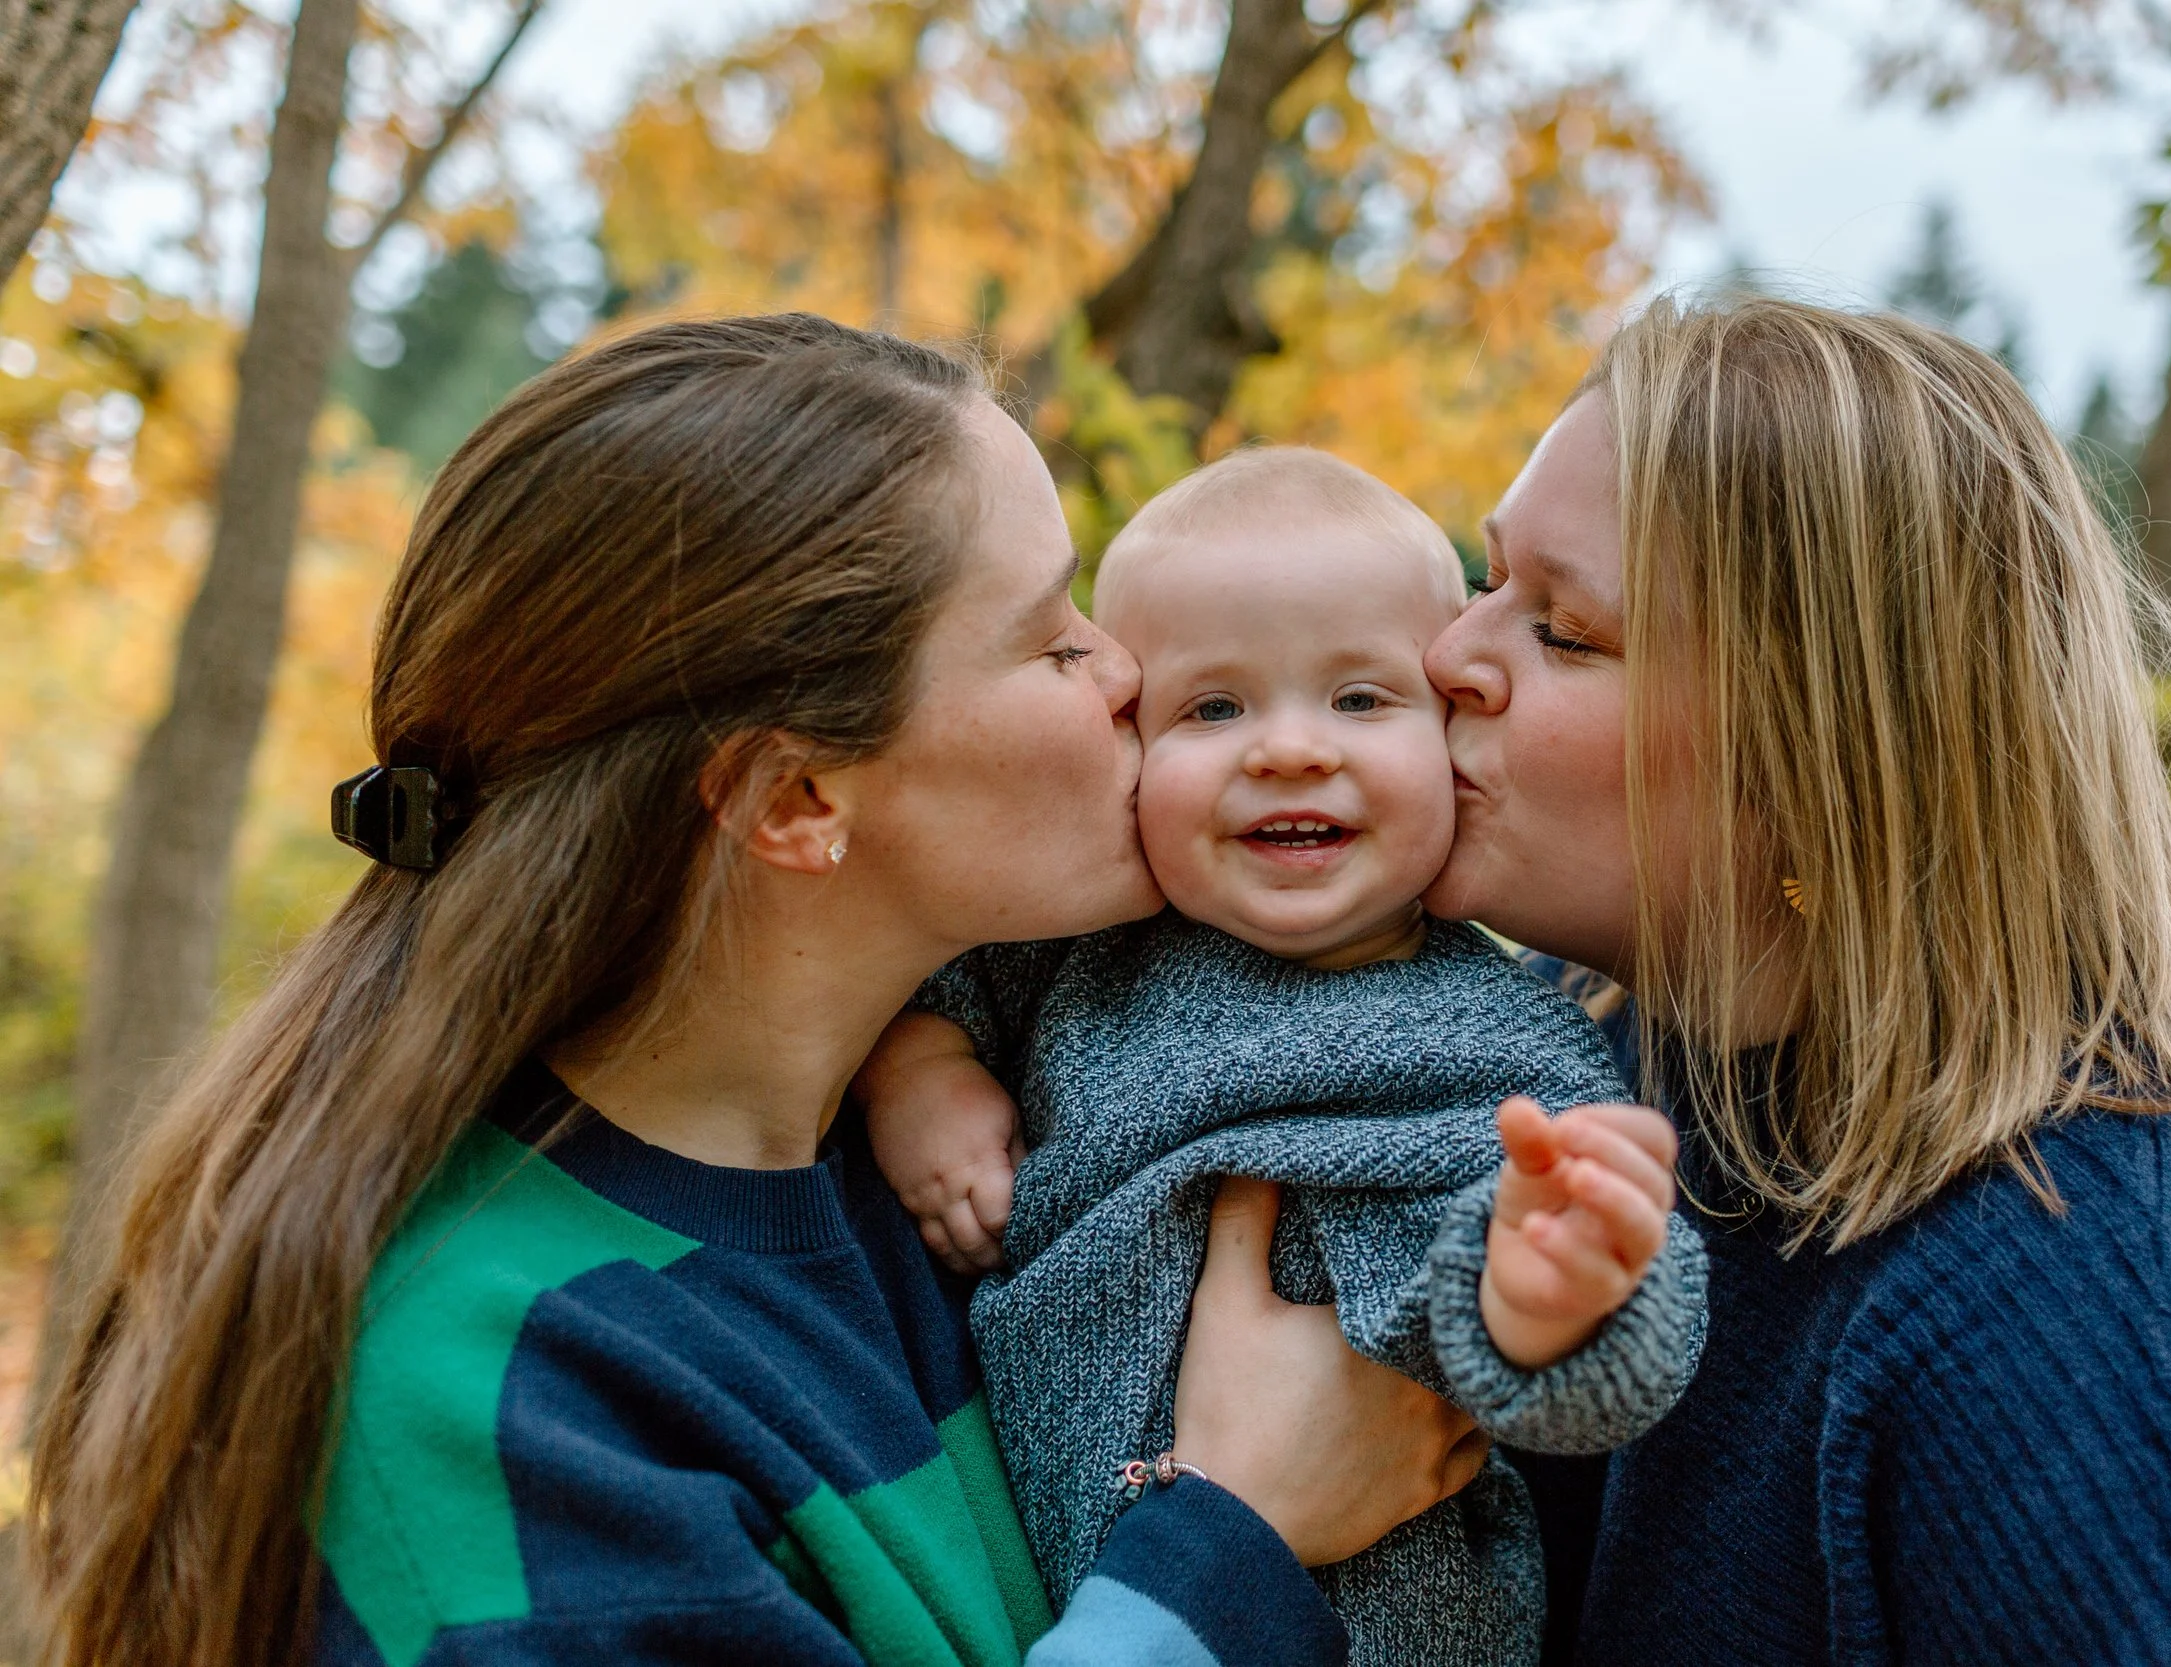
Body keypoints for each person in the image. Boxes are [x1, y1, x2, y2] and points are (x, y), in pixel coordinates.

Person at [27, 316, 1495, 1667]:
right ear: (797, 798)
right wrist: (1231, 1538)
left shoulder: (951, 1144)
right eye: (1055, 638)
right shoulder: (500, 1404)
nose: (1130, 672)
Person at [1422, 294, 2171, 1663]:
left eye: (1564, 630)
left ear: (1824, 762)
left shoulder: (2139, 1345)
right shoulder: (1615, 1059)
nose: (1450, 654)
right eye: (1487, 577)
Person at [855, 446, 1703, 1667]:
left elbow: (1618, 1366)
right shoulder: (1077, 950)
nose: (1290, 749)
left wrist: (1547, 1304)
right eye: (1213, 708)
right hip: (1078, 1599)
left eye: (1360, 701)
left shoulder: (1506, 1039)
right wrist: (919, 1072)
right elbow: (936, 970)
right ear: (1128, 745)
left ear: (1452, 738)